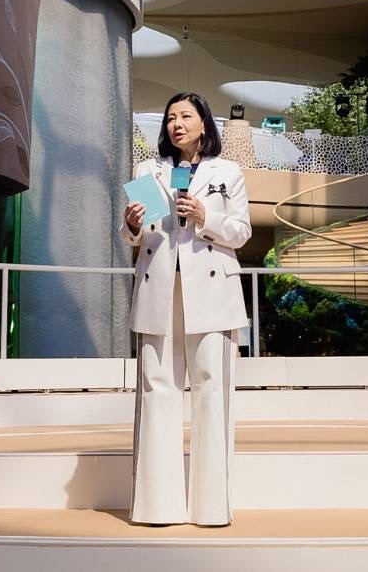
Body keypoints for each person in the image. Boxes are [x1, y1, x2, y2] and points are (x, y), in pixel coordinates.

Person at [121, 91, 251, 527]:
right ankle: (158, 506)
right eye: (171, 117)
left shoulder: (227, 172)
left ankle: (211, 508)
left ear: (204, 124)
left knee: (212, 390)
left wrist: (203, 217)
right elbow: (139, 234)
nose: (176, 124)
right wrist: (132, 225)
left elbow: (241, 232)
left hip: (212, 291)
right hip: (159, 287)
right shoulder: (148, 170)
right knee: (157, 389)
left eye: (185, 117)